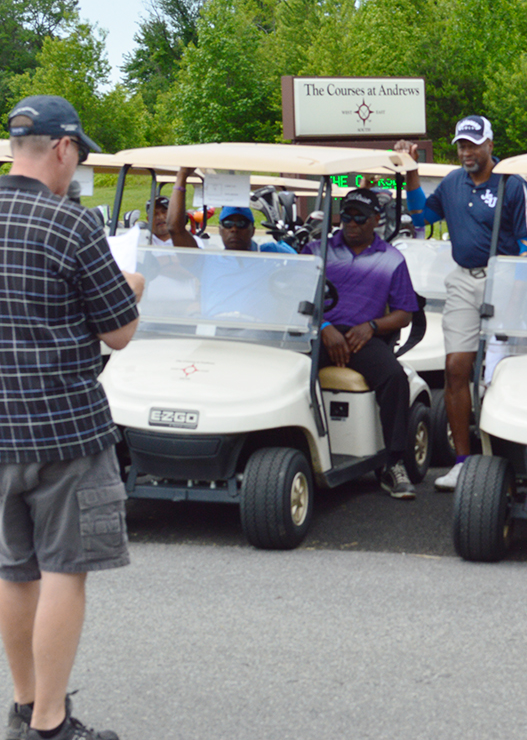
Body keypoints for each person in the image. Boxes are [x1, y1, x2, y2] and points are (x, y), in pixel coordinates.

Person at [0, 95, 142, 740]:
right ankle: (51, 725)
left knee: (14, 568)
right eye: (77, 155)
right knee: (63, 570)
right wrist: (132, 286)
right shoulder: (72, 224)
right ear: (60, 148)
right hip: (64, 425)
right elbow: (119, 332)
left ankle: (24, 702)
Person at [399, 117, 527, 492]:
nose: (466, 152)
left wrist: (513, 300)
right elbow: (420, 216)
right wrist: (412, 175)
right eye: (462, 145)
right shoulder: (451, 182)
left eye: (474, 145)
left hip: (505, 281)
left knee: (498, 375)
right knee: (456, 368)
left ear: (491, 145)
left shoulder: (513, 184)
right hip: (463, 278)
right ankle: (463, 461)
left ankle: (504, 461)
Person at [301, 189, 421, 500]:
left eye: (360, 217)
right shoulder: (317, 250)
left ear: (376, 221)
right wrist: (324, 326)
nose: (351, 223)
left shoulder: (391, 259)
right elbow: (295, 296)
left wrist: (371, 327)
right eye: (347, 215)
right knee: (291, 373)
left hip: (362, 336)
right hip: (320, 332)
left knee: (395, 378)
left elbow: (404, 314)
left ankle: (393, 464)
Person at [165, 167, 295, 253]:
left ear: (253, 230)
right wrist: (181, 176)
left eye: (241, 224)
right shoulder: (209, 262)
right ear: (220, 230)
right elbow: (175, 228)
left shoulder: (269, 253)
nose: (234, 229)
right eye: (227, 224)